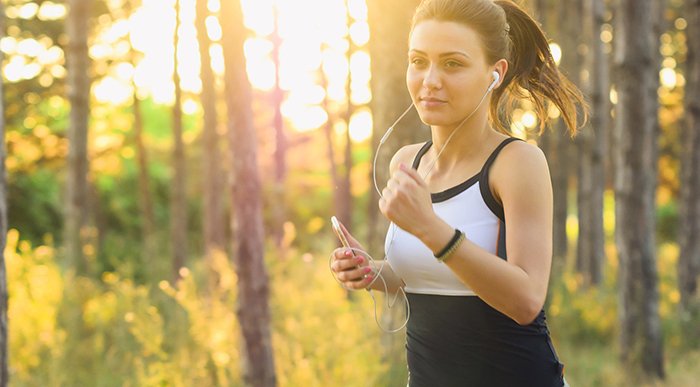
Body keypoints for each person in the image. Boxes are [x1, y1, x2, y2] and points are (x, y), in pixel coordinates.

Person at [330, 0, 586, 386]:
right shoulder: (406, 161)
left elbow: (526, 300)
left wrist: (432, 229)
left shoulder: (517, 162)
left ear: (494, 73)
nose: (430, 80)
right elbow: (423, 276)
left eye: (452, 63)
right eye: (418, 61)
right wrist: (372, 272)